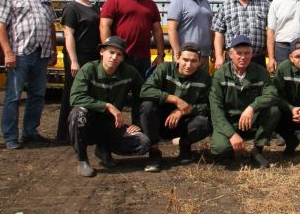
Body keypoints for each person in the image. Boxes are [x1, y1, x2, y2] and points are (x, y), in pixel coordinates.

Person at [0, 0, 57, 150]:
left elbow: (51, 25)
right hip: (20, 53)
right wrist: (7, 52)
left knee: (37, 95)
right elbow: (0, 25)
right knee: (13, 96)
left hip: (41, 53)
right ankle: (11, 136)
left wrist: (52, 49)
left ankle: (30, 132)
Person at [69, 36, 150, 177]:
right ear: (102, 52)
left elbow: (143, 96)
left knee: (143, 143)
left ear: (123, 58)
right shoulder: (89, 69)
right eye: (111, 52)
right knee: (78, 114)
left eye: (119, 54)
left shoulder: (129, 72)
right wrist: (107, 106)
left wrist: (137, 123)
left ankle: (104, 149)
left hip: (113, 124)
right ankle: (83, 160)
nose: (114, 57)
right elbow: (76, 97)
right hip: (89, 123)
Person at [209, 35, 280, 168]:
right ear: (230, 54)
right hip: (229, 121)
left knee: (273, 110)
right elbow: (216, 109)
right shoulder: (219, 75)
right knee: (220, 150)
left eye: (247, 53)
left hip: (250, 119)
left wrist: (252, 108)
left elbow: (272, 93)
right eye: (239, 53)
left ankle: (257, 150)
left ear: (252, 54)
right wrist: (232, 134)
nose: (243, 57)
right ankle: (230, 149)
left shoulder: (260, 72)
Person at [140, 42, 211, 171]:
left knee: (204, 122)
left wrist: (183, 111)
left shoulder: (204, 77)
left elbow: (206, 106)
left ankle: (185, 146)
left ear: (200, 62)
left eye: (194, 61)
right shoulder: (164, 69)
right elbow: (145, 90)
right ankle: (154, 152)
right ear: (177, 57)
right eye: (185, 60)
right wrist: (174, 99)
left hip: (183, 123)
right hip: (160, 121)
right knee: (147, 106)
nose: (189, 65)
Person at [56, 0, 100, 143]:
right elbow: (68, 35)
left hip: (93, 56)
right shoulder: (72, 8)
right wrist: (74, 60)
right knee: (73, 93)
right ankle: (68, 133)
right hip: (78, 56)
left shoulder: (95, 8)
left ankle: (86, 131)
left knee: (89, 92)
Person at [100, 0, 165, 76]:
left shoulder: (151, 4)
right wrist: (108, 52)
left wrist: (160, 55)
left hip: (143, 58)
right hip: (119, 56)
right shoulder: (113, 1)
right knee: (118, 89)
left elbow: (157, 31)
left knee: (141, 90)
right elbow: (104, 26)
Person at [212, 0, 271, 69]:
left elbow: (272, 30)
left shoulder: (265, 4)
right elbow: (219, 33)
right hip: (233, 59)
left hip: (257, 59)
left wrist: (271, 55)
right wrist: (218, 56)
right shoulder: (225, 6)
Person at [167, 0, 213, 64]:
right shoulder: (178, 1)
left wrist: (212, 50)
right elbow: (171, 29)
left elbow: (210, 28)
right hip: (186, 57)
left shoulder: (206, 2)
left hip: (204, 56)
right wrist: (176, 51)